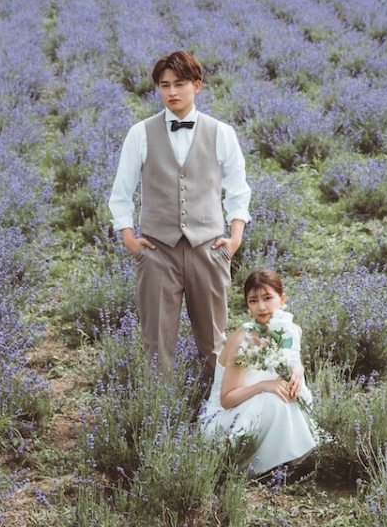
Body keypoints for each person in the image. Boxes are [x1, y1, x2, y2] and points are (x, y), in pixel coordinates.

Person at [108, 50, 251, 383]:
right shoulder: (140, 134)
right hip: (158, 251)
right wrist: (130, 238)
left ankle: (216, 416)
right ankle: (160, 417)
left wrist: (235, 237)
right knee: (156, 346)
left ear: (196, 86)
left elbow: (238, 189)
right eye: (164, 85)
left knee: (214, 344)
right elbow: (121, 193)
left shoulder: (222, 133)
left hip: (209, 248)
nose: (171, 92)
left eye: (180, 84)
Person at [199, 268, 318, 477]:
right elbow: (226, 399)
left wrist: (298, 369)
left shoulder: (291, 330)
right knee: (274, 399)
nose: (261, 307)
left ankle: (288, 460)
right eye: (253, 301)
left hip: (259, 409)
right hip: (226, 420)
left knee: (297, 393)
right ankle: (263, 467)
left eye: (267, 298)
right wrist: (264, 386)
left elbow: (291, 365)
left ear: (282, 299)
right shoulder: (242, 341)